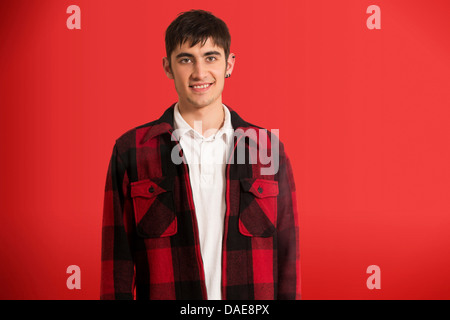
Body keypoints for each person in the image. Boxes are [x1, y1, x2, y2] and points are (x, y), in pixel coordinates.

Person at [100, 9, 300, 300]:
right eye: (186, 59)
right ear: (168, 67)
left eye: (210, 57)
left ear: (229, 64)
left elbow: (287, 258)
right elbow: (116, 264)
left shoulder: (267, 150)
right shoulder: (131, 150)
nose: (199, 72)